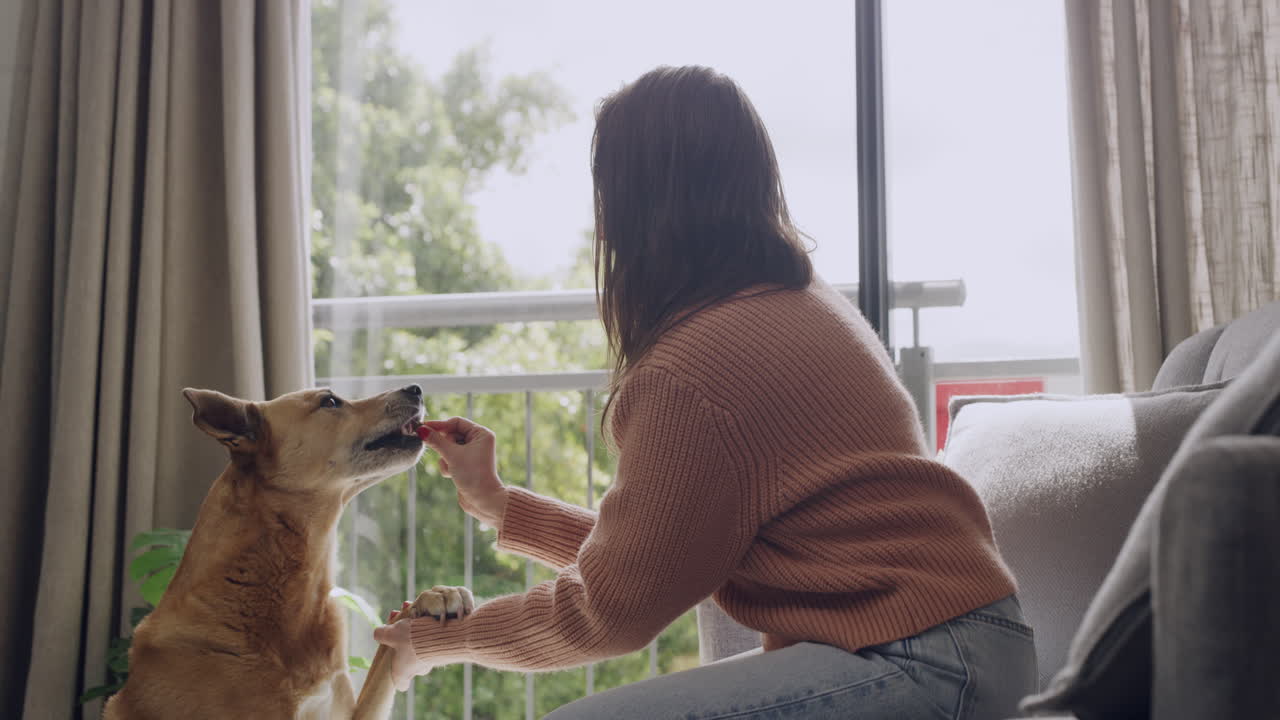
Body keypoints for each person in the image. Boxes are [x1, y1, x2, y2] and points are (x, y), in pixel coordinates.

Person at [374, 65, 1036, 719]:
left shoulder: (696, 368)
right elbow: (655, 557)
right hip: (955, 645)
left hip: (924, 663)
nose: (602, 228)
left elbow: (607, 613)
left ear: (641, 209)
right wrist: (499, 505)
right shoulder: (791, 298)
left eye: (609, 195)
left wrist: (439, 640)